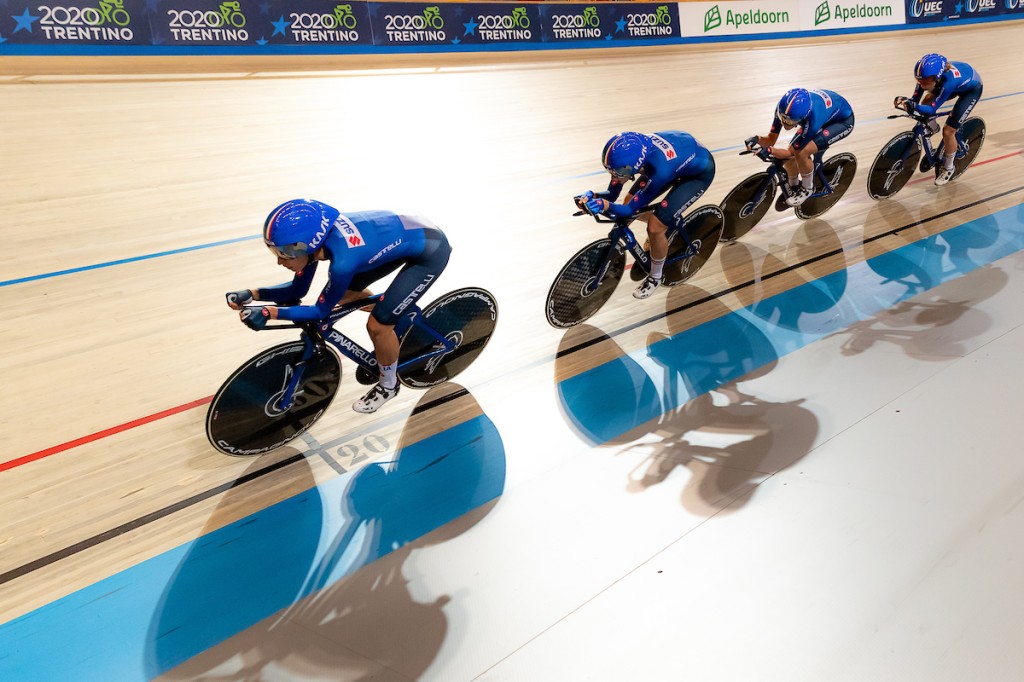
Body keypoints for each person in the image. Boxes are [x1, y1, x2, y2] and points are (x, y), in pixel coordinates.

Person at [226, 200, 451, 414]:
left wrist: (269, 312)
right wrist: (252, 294)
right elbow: (296, 292)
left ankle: (389, 386)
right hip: (402, 236)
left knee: (378, 326)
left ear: (304, 245)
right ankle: (395, 314)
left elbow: (320, 312)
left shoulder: (343, 262)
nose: (279, 261)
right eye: (275, 252)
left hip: (430, 250)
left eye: (283, 253)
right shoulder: (317, 242)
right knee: (345, 296)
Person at [577, 130, 716, 299]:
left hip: (697, 175)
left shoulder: (660, 169)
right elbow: (612, 195)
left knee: (655, 227)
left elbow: (628, 211)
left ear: (634, 165)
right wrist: (594, 196)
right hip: (677, 161)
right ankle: (665, 230)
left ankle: (656, 277)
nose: (615, 176)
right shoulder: (632, 155)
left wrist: (604, 205)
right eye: (612, 171)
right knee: (630, 201)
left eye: (620, 172)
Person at [745, 88, 855, 206]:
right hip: (826, 112)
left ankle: (807, 189)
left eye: (790, 122)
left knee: (801, 152)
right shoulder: (783, 110)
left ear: (802, 117)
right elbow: (771, 139)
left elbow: (791, 153)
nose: (785, 123)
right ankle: (794, 186)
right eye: (783, 119)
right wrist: (757, 139)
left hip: (842, 121)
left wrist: (770, 150)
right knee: (791, 156)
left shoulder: (812, 119)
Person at [894, 53, 983, 186]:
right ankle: (933, 127)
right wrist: (906, 101)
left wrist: (915, 106)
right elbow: (915, 100)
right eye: (919, 80)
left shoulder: (948, 82)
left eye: (925, 81)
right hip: (958, 83)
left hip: (971, 90)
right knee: (926, 101)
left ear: (937, 77)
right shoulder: (925, 77)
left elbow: (931, 110)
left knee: (948, 131)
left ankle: (948, 168)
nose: (921, 84)